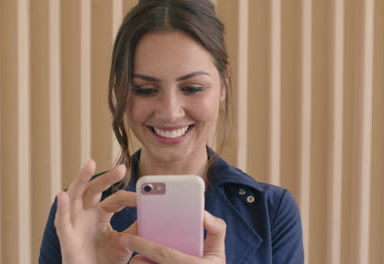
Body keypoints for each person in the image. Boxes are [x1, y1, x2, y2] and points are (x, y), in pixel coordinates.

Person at [39, 0, 304, 263]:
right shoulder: (78, 215)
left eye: (192, 88)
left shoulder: (272, 212)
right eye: (145, 89)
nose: (169, 112)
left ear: (223, 85)